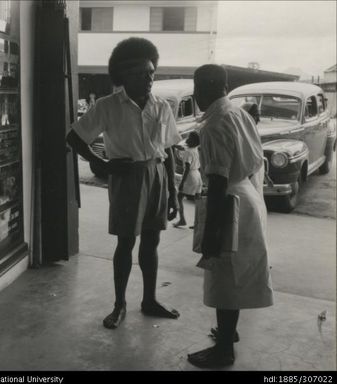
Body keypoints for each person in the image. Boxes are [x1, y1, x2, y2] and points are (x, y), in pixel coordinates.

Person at [66, 37, 181, 330]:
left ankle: (150, 300)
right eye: (144, 73)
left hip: (158, 175)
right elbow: (74, 137)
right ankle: (119, 304)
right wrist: (100, 163)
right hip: (127, 178)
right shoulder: (107, 106)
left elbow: (167, 149)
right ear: (125, 75)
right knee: (126, 242)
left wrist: (174, 194)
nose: (150, 79)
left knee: (152, 240)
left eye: (152, 73)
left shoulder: (162, 106)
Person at [187, 64, 273, 368]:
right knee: (234, 276)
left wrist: (210, 235)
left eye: (196, 88)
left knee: (224, 278)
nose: (195, 94)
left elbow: (219, 182)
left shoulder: (214, 125)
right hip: (247, 195)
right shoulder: (239, 113)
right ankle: (228, 334)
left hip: (228, 202)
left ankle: (223, 351)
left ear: (205, 89)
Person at [173, 131, 203, 228]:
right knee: (198, 199)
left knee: (179, 197)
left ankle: (182, 219)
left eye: (189, 138)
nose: (187, 139)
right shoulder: (195, 149)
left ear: (193, 141)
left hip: (190, 176)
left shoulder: (188, 152)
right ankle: (198, 222)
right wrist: (173, 146)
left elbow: (187, 168)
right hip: (198, 176)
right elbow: (182, 147)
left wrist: (182, 182)